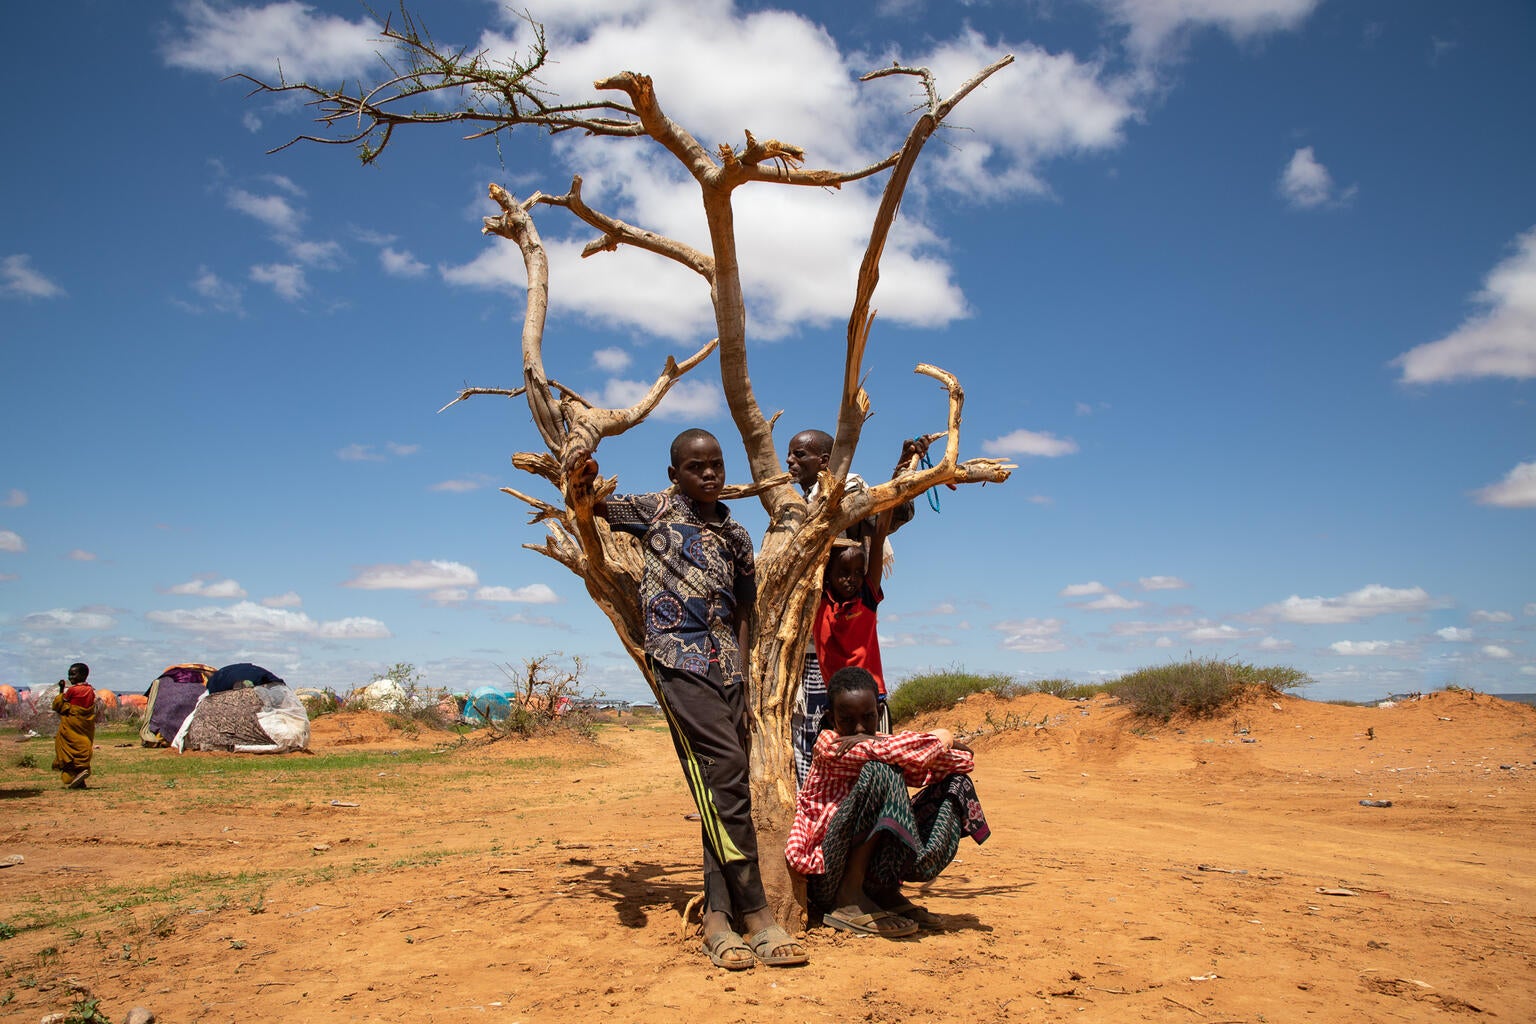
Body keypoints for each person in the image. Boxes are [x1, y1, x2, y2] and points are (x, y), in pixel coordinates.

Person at [570, 428, 807, 970]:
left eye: (716, 465)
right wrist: (581, 474)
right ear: (674, 473)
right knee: (724, 771)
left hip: (728, 669)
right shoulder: (653, 510)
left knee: (721, 789)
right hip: (678, 662)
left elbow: (745, 610)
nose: (709, 474)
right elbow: (593, 504)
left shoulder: (736, 534)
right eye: (696, 466)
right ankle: (757, 914)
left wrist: (745, 675)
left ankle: (717, 921)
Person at [786, 666, 988, 937]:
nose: (859, 728)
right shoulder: (829, 744)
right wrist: (943, 738)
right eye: (847, 720)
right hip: (827, 872)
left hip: (869, 864)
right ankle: (848, 896)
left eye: (867, 718)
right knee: (882, 769)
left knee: (956, 783)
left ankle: (884, 890)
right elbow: (887, 752)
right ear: (831, 718)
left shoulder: (883, 744)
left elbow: (961, 762)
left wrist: (932, 747)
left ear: (879, 715)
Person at [785, 430, 931, 780]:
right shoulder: (797, 505)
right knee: (817, 745)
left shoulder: (846, 489)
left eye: (799, 455)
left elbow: (883, 519)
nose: (789, 461)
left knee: (862, 747)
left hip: (835, 666)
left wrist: (903, 472)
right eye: (789, 454)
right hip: (807, 648)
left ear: (824, 461)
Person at [51, 662, 96, 789]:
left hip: (71, 725)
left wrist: (61, 689)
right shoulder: (90, 690)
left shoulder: (72, 690)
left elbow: (60, 706)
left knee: (69, 749)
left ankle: (73, 775)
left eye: (73, 674)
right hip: (85, 725)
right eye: (69, 675)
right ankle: (80, 777)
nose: (70, 677)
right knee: (82, 746)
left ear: (83, 675)